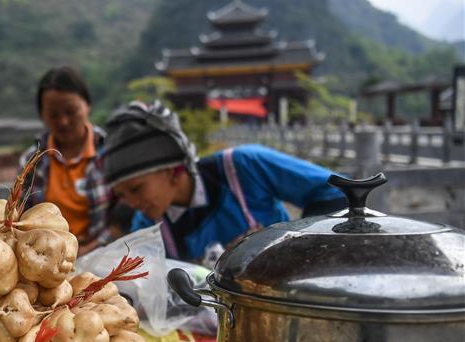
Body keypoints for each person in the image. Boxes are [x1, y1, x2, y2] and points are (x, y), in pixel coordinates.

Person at [102, 100, 347, 262]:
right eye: (122, 195)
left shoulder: (243, 167)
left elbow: (338, 190)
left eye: (136, 188)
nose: (131, 202)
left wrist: (282, 242)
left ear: (171, 169)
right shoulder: (146, 227)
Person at [21, 66, 112, 256]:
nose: (63, 121)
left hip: (101, 256)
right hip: (45, 260)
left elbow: (124, 215)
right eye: (53, 115)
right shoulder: (32, 162)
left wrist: (87, 250)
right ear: (42, 115)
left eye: (71, 111)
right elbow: (21, 217)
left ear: (87, 105)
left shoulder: (110, 153)